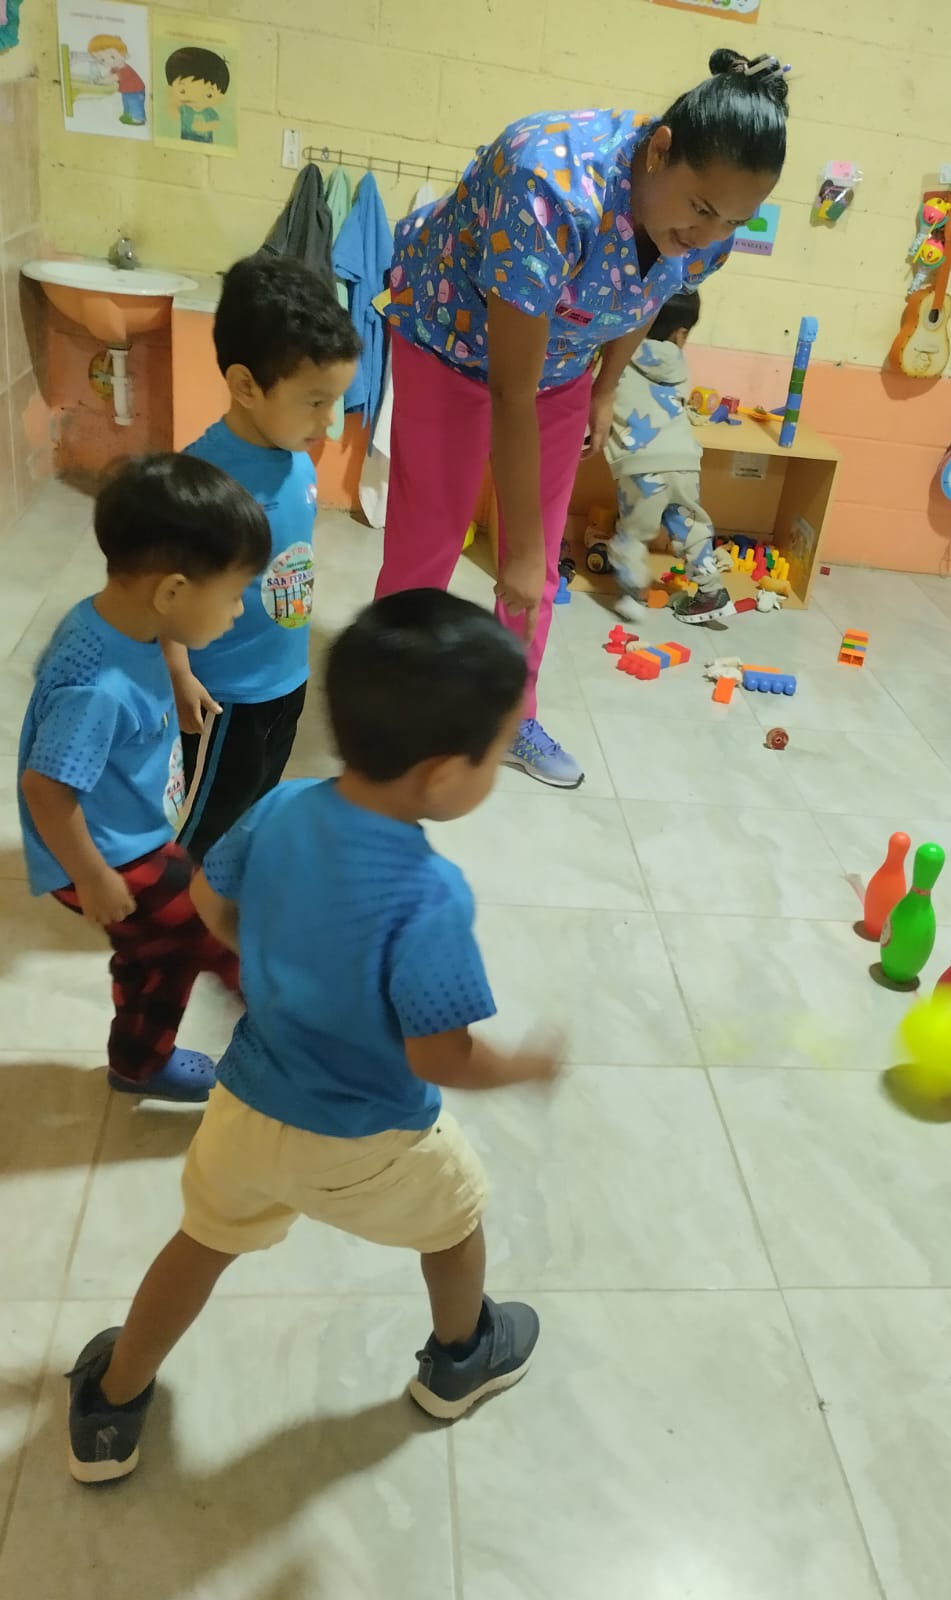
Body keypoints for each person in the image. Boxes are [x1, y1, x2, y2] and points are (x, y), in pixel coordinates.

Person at [65, 591, 563, 1485]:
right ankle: (461, 1359)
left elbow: (211, 901)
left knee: (202, 1241)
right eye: (495, 754)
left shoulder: (285, 805)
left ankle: (110, 1406)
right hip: (369, 1138)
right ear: (442, 776)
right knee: (456, 1222)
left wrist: (281, 959)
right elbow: (438, 1055)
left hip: (246, 1105)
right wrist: (523, 1065)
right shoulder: (429, 896)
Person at [381, 47, 790, 788]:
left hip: (560, 363)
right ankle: (389, 714)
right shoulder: (546, 183)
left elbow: (649, 293)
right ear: (660, 150)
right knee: (430, 541)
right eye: (702, 209)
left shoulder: (709, 229)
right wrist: (515, 554)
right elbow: (511, 391)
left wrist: (605, 388)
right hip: (450, 339)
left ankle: (511, 717)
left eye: (734, 219)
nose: (710, 233)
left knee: (536, 571)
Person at [17, 455, 271, 1103]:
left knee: (160, 949)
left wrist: (179, 675)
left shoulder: (113, 618)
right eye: (234, 594)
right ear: (172, 593)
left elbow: (158, 638)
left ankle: (139, 1058)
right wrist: (92, 876)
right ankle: (287, 1035)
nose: (238, 611)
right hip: (106, 854)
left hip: (125, 833)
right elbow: (46, 788)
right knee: (210, 929)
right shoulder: (98, 690)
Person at [166, 253, 359, 864]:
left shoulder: (295, 457)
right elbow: (165, 590)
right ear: (246, 385)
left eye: (334, 402)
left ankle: (226, 891)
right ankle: (175, 907)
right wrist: (178, 673)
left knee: (252, 807)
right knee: (203, 821)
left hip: (284, 681)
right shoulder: (203, 482)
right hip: (221, 695)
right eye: (315, 402)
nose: (328, 423)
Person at [603, 289, 733, 623]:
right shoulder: (677, 363)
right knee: (690, 526)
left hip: (641, 465)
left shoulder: (615, 350)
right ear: (680, 333)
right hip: (685, 460)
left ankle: (633, 595)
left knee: (634, 532)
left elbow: (599, 396)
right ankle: (711, 592)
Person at [163, 46, 229, 145]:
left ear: (221, 97)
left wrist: (205, 127)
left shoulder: (209, 112)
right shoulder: (184, 109)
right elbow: (174, 114)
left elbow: (216, 123)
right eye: (182, 90)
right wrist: (171, 100)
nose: (195, 99)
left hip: (206, 142)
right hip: (185, 141)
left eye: (209, 95)